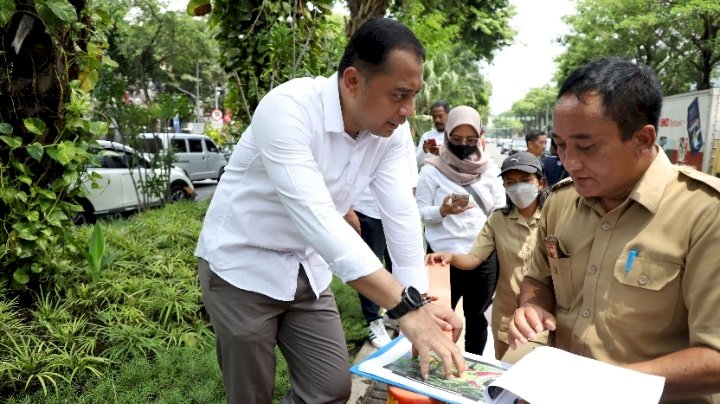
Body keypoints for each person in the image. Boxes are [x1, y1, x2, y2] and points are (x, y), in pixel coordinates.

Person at [195, 18, 466, 404]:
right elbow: (319, 219)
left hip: (308, 269)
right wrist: (401, 306)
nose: (409, 110)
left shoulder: (391, 131)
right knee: (251, 395)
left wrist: (419, 305)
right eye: (399, 94)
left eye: (414, 95)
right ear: (353, 81)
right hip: (242, 267)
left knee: (330, 389)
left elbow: (402, 216)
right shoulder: (287, 109)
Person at [508, 57, 720, 403]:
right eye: (560, 145)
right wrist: (532, 307)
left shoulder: (706, 214)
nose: (570, 162)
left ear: (643, 138)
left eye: (587, 146)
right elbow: (537, 279)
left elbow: (715, 359)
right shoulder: (562, 201)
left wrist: (600, 385)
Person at [426, 152, 550, 360]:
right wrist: (450, 257)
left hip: (545, 315)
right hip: (507, 316)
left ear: (540, 182)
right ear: (504, 187)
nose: (518, 187)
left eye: (525, 180)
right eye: (511, 182)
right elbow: (474, 259)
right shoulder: (497, 220)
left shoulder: (555, 216)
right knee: (505, 375)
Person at [416, 105, 506, 355]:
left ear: (480, 137)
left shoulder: (490, 170)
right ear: (447, 137)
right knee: (439, 318)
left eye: (470, 139)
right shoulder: (431, 170)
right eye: (456, 140)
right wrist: (442, 211)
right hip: (442, 260)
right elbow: (420, 211)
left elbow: (501, 211)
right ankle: (437, 364)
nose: (464, 145)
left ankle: (472, 365)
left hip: (482, 257)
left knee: (478, 318)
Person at [350, 122, 419, 348]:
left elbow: (408, 160)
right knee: (369, 264)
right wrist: (347, 208)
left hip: (393, 209)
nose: (406, 108)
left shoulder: (400, 124)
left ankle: (396, 310)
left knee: (396, 263)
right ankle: (373, 320)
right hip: (364, 207)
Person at [415, 101, 449, 167]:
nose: (437, 120)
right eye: (434, 117)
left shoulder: (455, 136)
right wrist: (424, 151)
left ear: (448, 116)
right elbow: (417, 163)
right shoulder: (427, 136)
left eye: (440, 116)